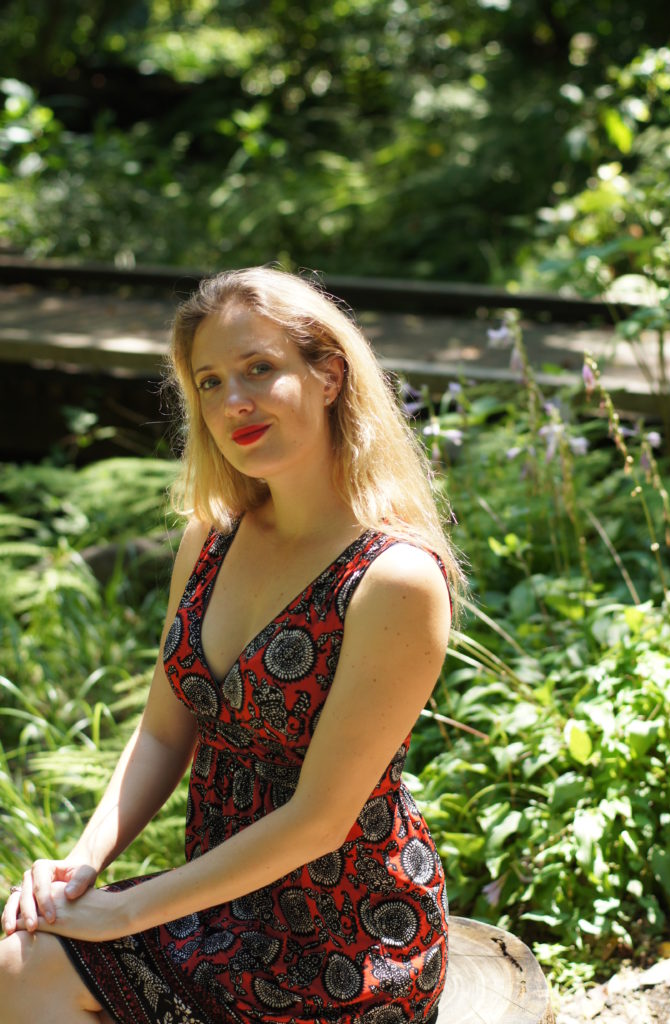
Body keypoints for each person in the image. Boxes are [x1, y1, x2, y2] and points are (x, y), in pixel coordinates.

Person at [0, 267, 463, 1024]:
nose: (233, 403)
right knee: (20, 946)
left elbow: (320, 819)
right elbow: (161, 729)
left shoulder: (393, 578)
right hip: (214, 906)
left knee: (21, 971)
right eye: (209, 383)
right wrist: (79, 871)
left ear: (328, 375)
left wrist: (124, 913)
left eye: (259, 369)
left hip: (346, 938)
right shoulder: (213, 538)